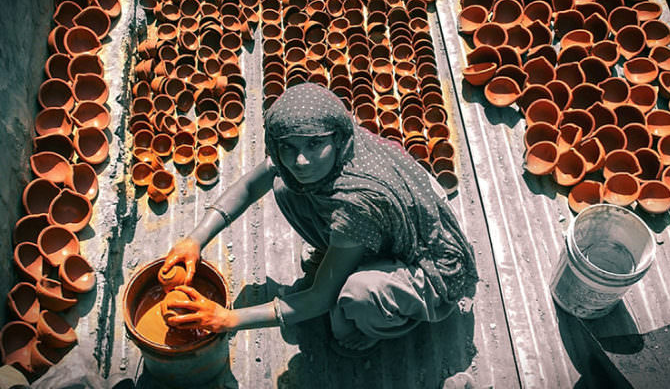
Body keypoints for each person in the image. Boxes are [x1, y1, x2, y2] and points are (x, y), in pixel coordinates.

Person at [161, 82, 478, 355]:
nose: (300, 160)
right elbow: (248, 186)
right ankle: (350, 257)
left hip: (433, 269)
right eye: (289, 146)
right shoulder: (338, 145)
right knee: (286, 185)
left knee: (355, 299)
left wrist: (229, 319)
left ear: (336, 138)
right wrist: (195, 240)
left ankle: (378, 325)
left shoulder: (355, 203)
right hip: (386, 230)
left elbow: (319, 298)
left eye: (314, 144)